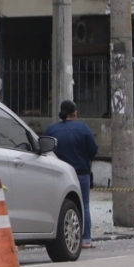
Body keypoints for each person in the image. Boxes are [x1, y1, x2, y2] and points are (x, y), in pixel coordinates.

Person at [44, 100, 98, 249]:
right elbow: (93, 150)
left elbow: (44, 147)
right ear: (74, 113)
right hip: (81, 173)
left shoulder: (51, 130)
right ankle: (85, 239)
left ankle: (61, 237)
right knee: (84, 205)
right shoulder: (83, 128)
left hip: (59, 174)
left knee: (61, 205)